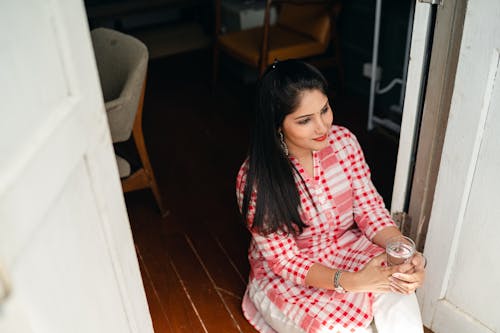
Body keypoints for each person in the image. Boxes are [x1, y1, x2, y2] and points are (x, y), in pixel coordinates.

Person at [235, 59, 426, 333]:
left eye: (324, 110)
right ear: (277, 125)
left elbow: (370, 209)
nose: (323, 127)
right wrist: (352, 282)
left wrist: (402, 253)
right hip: (292, 278)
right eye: (304, 120)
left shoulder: (344, 142)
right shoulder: (255, 179)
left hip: (347, 248)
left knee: (397, 288)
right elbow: (285, 261)